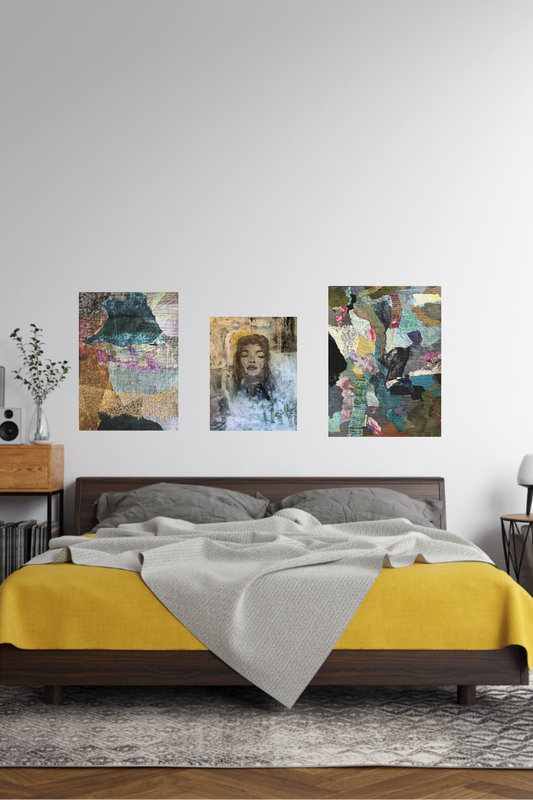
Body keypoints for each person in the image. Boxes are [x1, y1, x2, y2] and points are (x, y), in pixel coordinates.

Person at [232, 334, 275, 401]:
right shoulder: (235, 390)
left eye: (259, 355)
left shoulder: (275, 390)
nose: (252, 360)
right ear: (239, 359)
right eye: (245, 355)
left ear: (266, 360)